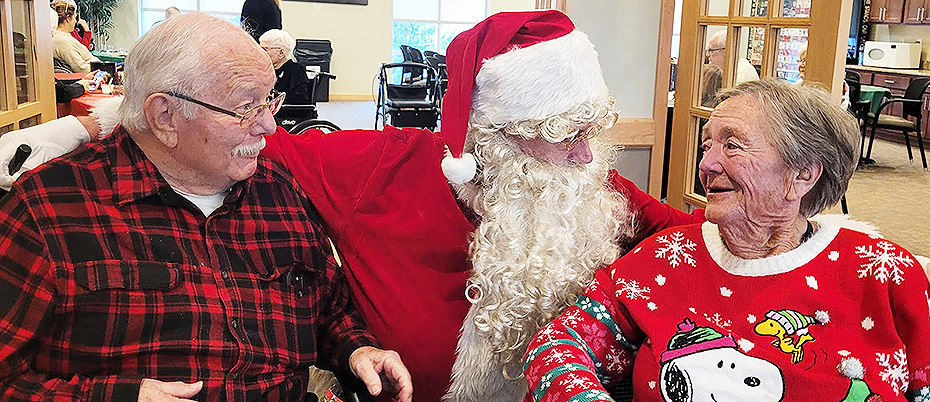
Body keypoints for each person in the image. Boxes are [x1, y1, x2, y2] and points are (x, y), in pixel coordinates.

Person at [0, 10, 691, 402]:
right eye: (561, 135)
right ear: (497, 138)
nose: (585, 155)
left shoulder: (589, 192)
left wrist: (355, 346)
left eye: (270, 103)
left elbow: (703, 241)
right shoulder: (374, 170)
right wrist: (81, 127)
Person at [0, 13, 412, 402]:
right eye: (245, 106)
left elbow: (330, 309)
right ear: (165, 116)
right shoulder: (49, 209)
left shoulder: (280, 193)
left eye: (270, 100)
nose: (270, 125)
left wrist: (356, 349)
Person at [524, 79, 930, 402]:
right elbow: (558, 346)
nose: (706, 164)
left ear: (802, 176)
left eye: (732, 146)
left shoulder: (884, 273)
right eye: (707, 146)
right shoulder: (665, 259)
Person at [260, 29, 311, 105]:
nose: (261, 53)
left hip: (288, 114)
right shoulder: (263, 70)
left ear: (281, 53)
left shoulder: (296, 70)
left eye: (264, 49)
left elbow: (300, 99)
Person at [52, 0, 99, 72]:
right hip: (91, 74)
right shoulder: (62, 41)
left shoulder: (63, 37)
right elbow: (81, 68)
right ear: (68, 18)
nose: (75, 21)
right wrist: (104, 69)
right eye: (74, 17)